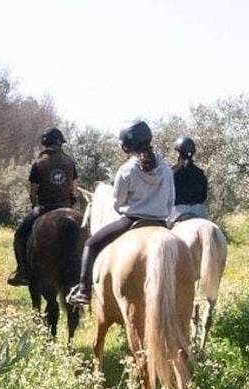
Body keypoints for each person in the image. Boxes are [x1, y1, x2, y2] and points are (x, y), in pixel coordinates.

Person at [67, 120, 175, 306]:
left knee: (91, 244)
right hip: (161, 223)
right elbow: (170, 200)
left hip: (132, 221)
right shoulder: (165, 167)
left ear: (126, 146)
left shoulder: (127, 170)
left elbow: (117, 204)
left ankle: (84, 292)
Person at [7, 126, 78, 286]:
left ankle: (22, 272)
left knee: (19, 235)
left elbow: (33, 192)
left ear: (45, 144)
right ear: (60, 143)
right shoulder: (70, 162)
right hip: (66, 208)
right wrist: (70, 202)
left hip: (44, 207)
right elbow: (74, 189)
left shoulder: (38, 163)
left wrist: (34, 206)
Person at [170, 136, 209, 222]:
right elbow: (203, 197)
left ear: (179, 153)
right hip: (199, 212)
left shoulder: (171, 172)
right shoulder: (200, 173)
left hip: (177, 212)